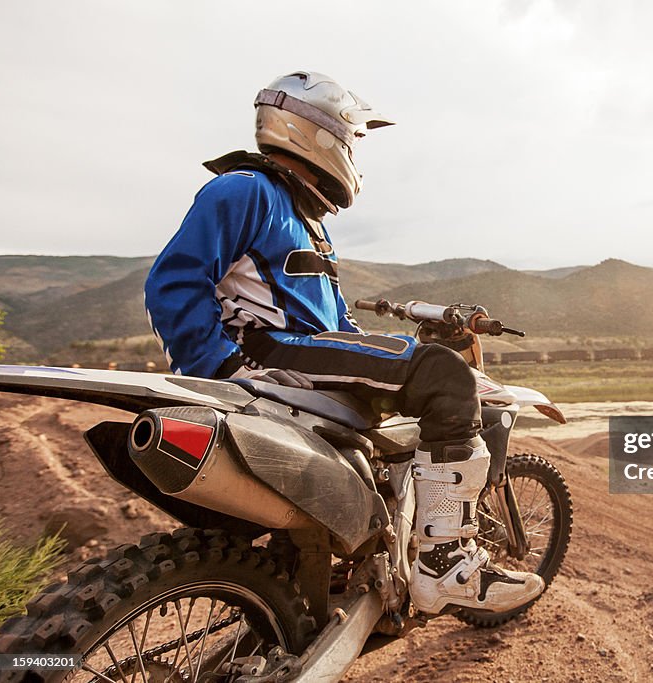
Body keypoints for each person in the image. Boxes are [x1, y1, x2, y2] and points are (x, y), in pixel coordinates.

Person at [144, 70, 543, 614]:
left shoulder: (306, 216)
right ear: (324, 137)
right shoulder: (247, 189)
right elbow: (172, 284)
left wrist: (377, 346)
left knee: (411, 393)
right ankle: (444, 562)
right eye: (355, 141)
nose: (356, 156)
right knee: (443, 376)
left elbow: (330, 324)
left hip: (296, 351)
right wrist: (224, 366)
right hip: (270, 353)